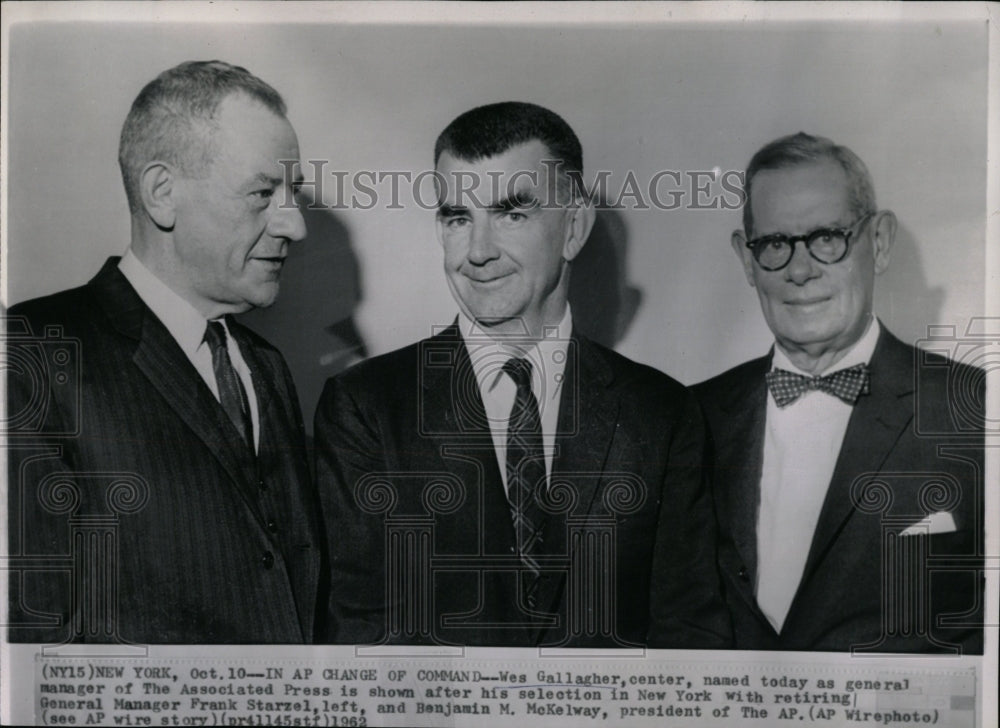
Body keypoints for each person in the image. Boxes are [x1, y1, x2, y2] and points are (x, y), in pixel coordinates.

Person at [315, 101, 730, 648]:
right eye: (458, 217)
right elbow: (361, 641)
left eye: (512, 214)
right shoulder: (365, 407)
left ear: (574, 228)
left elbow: (691, 637)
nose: (478, 252)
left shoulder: (662, 412)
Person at [5, 61, 323, 644]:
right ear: (162, 194)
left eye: (291, 193)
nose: (295, 226)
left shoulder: (266, 367)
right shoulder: (31, 351)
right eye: (262, 193)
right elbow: (33, 646)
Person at [695, 132, 984, 653]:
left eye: (827, 237)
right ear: (746, 259)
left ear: (878, 242)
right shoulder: (688, 417)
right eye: (775, 244)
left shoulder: (977, 411)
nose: (801, 271)